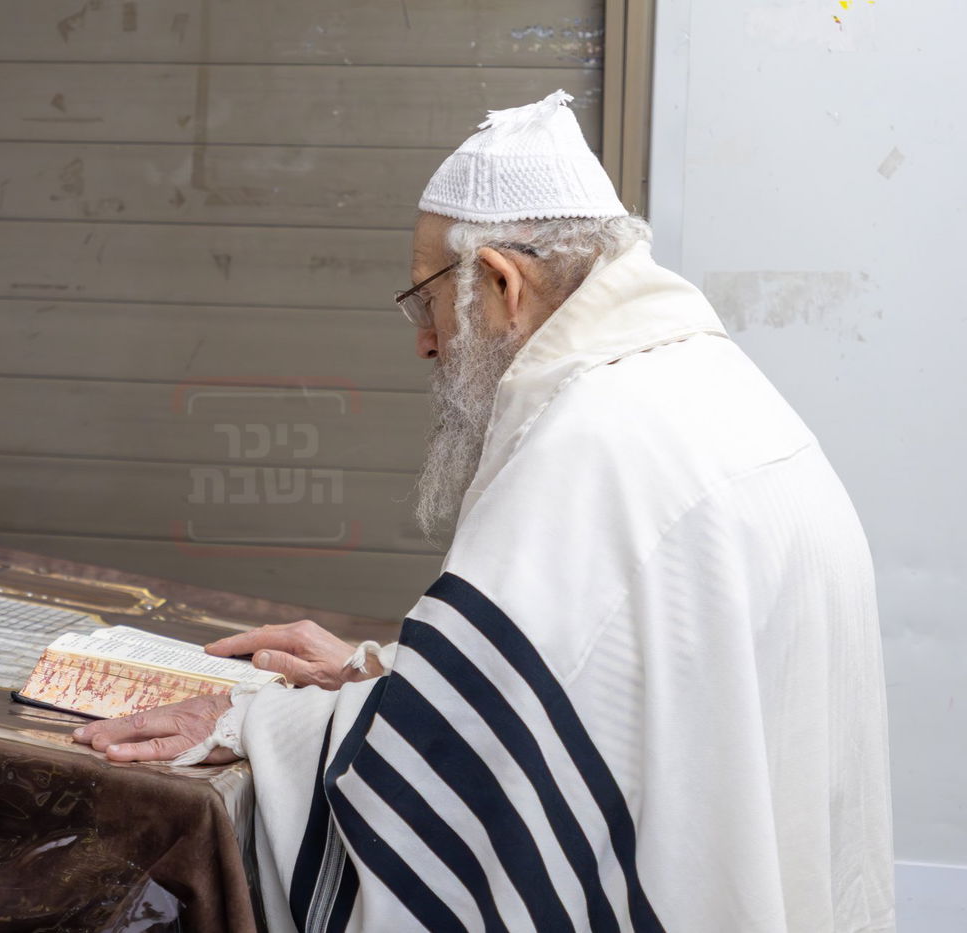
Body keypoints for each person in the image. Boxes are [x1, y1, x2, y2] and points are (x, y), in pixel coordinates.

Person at [75, 90, 894, 932]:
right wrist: (384, 674)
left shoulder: (593, 443)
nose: (425, 340)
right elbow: (607, 693)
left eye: (427, 297)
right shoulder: (711, 391)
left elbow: (459, 779)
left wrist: (254, 719)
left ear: (501, 284)